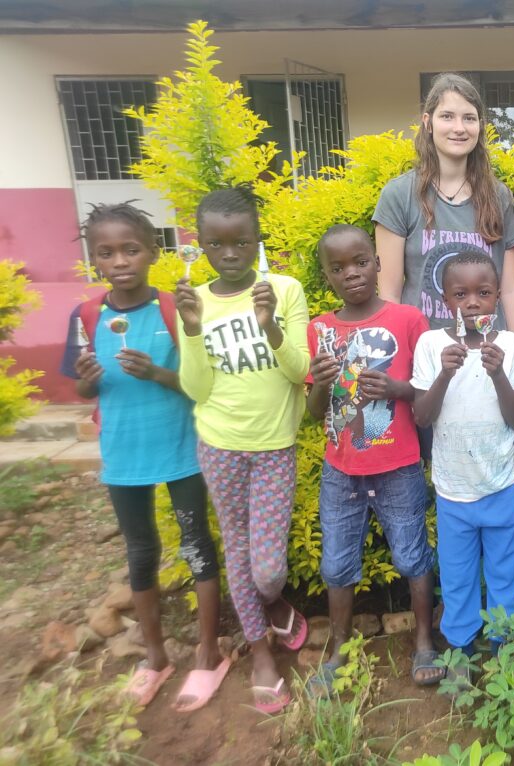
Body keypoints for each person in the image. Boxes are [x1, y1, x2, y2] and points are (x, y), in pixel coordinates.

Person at [61, 203, 227, 711]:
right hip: (122, 457)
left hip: (181, 451)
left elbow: (201, 385)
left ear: (154, 252)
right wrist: (87, 380)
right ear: (94, 259)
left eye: (130, 249)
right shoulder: (87, 317)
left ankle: (208, 653)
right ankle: (155, 657)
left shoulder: (173, 310)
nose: (119, 262)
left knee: (196, 545)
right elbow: (83, 392)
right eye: (105, 253)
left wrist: (157, 373)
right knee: (140, 552)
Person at [174, 186, 310, 714]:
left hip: (274, 446)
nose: (229, 254)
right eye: (216, 244)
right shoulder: (195, 300)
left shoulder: (285, 289)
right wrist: (191, 331)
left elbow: (300, 372)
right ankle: (260, 653)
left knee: (267, 569)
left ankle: (273, 602)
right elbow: (196, 389)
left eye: (241, 242)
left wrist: (269, 323)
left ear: (258, 239)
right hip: (220, 445)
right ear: (202, 244)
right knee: (237, 548)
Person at [304, 225, 441, 689]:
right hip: (342, 470)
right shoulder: (320, 330)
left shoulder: (407, 319)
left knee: (412, 555)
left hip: (399, 466)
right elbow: (314, 413)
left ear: (378, 263)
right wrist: (322, 383)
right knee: (336, 563)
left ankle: (424, 640)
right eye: (338, 268)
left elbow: (429, 393)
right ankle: (340, 649)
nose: (352, 273)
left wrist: (398, 388)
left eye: (361, 262)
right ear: (327, 276)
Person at [410, 252, 514, 684]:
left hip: (502, 482)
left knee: (505, 571)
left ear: (497, 296)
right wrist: (444, 374)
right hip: (453, 488)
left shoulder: (510, 345)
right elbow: (422, 416)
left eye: (483, 293)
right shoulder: (431, 345)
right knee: (457, 575)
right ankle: (459, 649)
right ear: (446, 300)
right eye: (461, 294)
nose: (473, 303)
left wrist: (497, 374)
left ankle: (502, 649)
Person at [374, 72, 514, 336]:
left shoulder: (498, 196)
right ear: (428, 123)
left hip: (488, 350)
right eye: (447, 116)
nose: (459, 128)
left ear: (479, 126)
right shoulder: (399, 195)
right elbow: (390, 294)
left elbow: (511, 289)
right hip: (423, 349)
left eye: (469, 118)